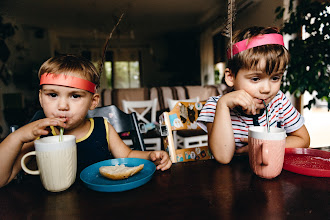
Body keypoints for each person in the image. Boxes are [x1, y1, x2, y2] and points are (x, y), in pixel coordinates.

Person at [0, 54, 172, 188]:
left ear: (93, 101)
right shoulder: (37, 130)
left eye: (75, 96)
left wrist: (150, 156)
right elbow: (3, 179)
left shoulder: (102, 127)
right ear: (40, 97)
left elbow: (127, 156)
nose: (62, 106)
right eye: (52, 95)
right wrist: (18, 136)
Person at [197, 26, 310, 164]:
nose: (267, 89)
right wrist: (223, 105)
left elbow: (303, 139)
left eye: (275, 78)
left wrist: (261, 146)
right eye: (255, 79)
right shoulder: (215, 106)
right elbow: (223, 157)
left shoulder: (279, 101)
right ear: (231, 77)